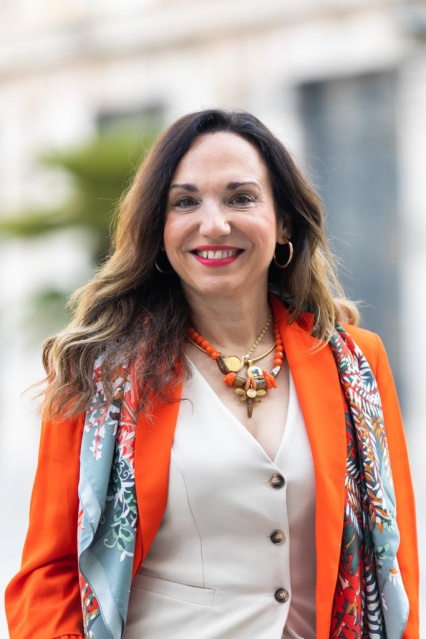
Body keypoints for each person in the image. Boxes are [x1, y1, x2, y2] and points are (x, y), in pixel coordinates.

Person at [5, 109, 419, 639]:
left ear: (284, 222)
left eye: (240, 198)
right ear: (159, 228)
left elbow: (395, 565)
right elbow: (48, 577)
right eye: (185, 202)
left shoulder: (356, 363)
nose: (214, 224)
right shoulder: (98, 375)